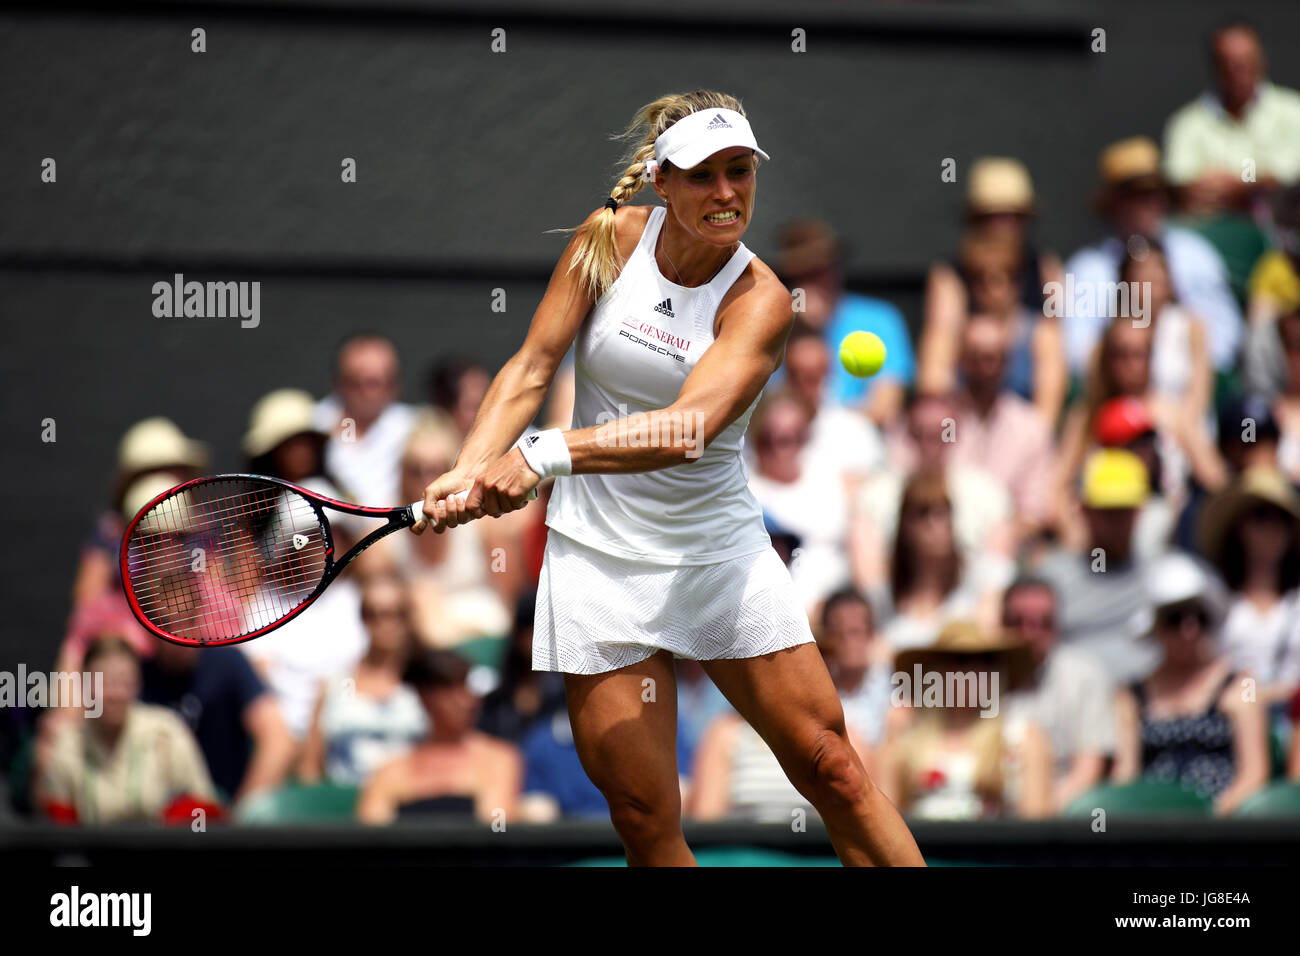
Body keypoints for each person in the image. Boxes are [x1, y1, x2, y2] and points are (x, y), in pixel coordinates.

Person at [412, 90, 923, 866]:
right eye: (703, 175)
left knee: (833, 766)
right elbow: (530, 366)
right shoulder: (606, 243)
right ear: (662, 182)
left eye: (740, 171)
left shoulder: (763, 302)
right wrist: (467, 468)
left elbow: (688, 429)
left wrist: (541, 456)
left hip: (717, 554)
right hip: (597, 557)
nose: (726, 193)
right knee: (644, 816)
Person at [1062, 136, 1242, 374]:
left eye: (1154, 193)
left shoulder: (1195, 255)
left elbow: (1225, 341)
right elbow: (1076, 351)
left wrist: (1173, 374)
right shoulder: (1086, 270)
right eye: (1135, 195)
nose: (1147, 204)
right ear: (1114, 202)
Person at [1112, 552, 1270, 816]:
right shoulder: (1129, 695)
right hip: (1150, 827)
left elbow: (1255, 773)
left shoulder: (1242, 685)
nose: (1189, 629)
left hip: (1223, 829)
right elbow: (1125, 775)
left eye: (1199, 617)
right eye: (1176, 618)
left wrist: (1210, 824)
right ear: (1157, 626)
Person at [921, 157, 1066, 427]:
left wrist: (1027, 448)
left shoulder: (1046, 267)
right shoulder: (948, 275)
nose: (1003, 227)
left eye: (1013, 217)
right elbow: (935, 373)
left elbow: (1052, 374)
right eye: (993, 217)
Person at [876, 620, 1052, 820]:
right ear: (934, 672)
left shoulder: (1022, 739)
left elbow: (1038, 830)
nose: (972, 671)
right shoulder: (904, 739)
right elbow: (884, 822)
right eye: (959, 660)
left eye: (985, 660)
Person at [35, 637, 218, 824]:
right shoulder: (67, 745)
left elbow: (206, 812)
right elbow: (56, 828)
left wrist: (177, 822)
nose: (116, 693)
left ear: (138, 684)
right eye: (105, 683)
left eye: (125, 682)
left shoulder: (167, 733)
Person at [772, 218, 915, 428]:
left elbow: (885, 410)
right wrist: (802, 328)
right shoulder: (773, 328)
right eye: (804, 273)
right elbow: (769, 411)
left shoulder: (881, 319)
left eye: (823, 268)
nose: (817, 280)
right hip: (791, 446)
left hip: (860, 444)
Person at [1036, 448, 1161, 685]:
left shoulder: (1163, 575)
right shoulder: (1052, 579)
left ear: (1140, 511)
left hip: (1150, 704)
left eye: (1124, 510)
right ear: (1084, 510)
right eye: (1107, 511)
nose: (1117, 522)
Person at [356, 650, 521, 824]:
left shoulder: (499, 760)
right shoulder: (390, 771)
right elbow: (373, 836)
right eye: (451, 689)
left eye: (466, 688)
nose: (466, 701)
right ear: (424, 697)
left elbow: (496, 828)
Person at [297, 575, 428, 787]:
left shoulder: (426, 685)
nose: (387, 624)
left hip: (410, 804)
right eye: (375, 614)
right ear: (363, 619)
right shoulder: (333, 684)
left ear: (409, 619)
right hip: (345, 806)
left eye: (399, 614)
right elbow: (310, 768)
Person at [1001, 578, 1116, 813]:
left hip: (1060, 824)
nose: (1031, 633)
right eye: (1019, 622)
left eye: (1043, 622)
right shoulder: (978, 674)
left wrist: (1035, 818)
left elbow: (1088, 770)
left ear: (1057, 626)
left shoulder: (1085, 676)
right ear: (1001, 623)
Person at [1163, 20, 1300, 216]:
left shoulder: (1293, 112)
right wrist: (1250, 183)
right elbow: (1180, 181)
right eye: (1230, 64)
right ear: (1216, 67)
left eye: (1246, 63)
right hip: (1211, 234)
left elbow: (1288, 175)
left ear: (1261, 60)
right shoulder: (1187, 123)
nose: (1239, 74)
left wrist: (1244, 183)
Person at [72, 417, 207, 609]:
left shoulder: (203, 528)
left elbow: (216, 593)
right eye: (156, 470)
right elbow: (87, 600)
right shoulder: (107, 533)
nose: (166, 478)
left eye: (174, 469)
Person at [140, 637, 295, 803]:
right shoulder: (134, 674)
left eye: (190, 620)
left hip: (225, 812)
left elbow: (279, 742)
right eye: (166, 624)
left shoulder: (229, 661)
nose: (181, 635)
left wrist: (238, 817)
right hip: (155, 821)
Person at [949, 312, 1056, 540]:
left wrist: (994, 539)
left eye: (992, 357)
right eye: (975, 356)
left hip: (1008, 550)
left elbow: (1034, 514)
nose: (984, 367)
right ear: (961, 359)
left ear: (1007, 362)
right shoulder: (934, 420)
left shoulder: (1031, 428)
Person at [1199, 467, 1300, 708]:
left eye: (1281, 519)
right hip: (1233, 721)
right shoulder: (1215, 601)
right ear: (1239, 528)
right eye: (1261, 517)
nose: (1272, 530)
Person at [747, 392, 853, 616]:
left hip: (834, 607)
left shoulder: (828, 474)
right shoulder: (745, 487)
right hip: (771, 610)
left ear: (805, 437)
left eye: (789, 439)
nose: (779, 450)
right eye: (768, 440)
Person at [313, 332, 418, 506]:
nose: (368, 393)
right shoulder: (311, 426)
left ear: (395, 384)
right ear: (339, 381)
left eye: (377, 383)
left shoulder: (415, 427)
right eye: (356, 382)